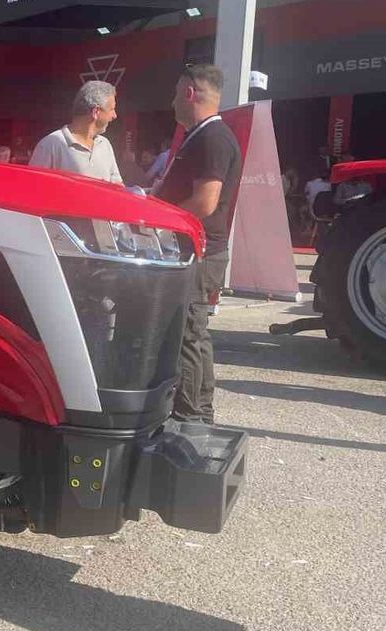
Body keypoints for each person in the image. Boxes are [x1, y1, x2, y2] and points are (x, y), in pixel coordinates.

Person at [152, 63, 243, 425]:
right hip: (201, 250)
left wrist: (158, 219)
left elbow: (205, 202)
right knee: (193, 333)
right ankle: (198, 411)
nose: (172, 102)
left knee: (187, 334)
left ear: (189, 93)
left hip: (199, 252)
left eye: (176, 94)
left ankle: (191, 416)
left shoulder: (212, 138)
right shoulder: (206, 136)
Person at [29, 80, 123, 184]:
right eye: (112, 109)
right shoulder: (50, 145)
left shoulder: (105, 145)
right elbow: (32, 187)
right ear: (96, 112)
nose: (114, 116)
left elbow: (118, 186)